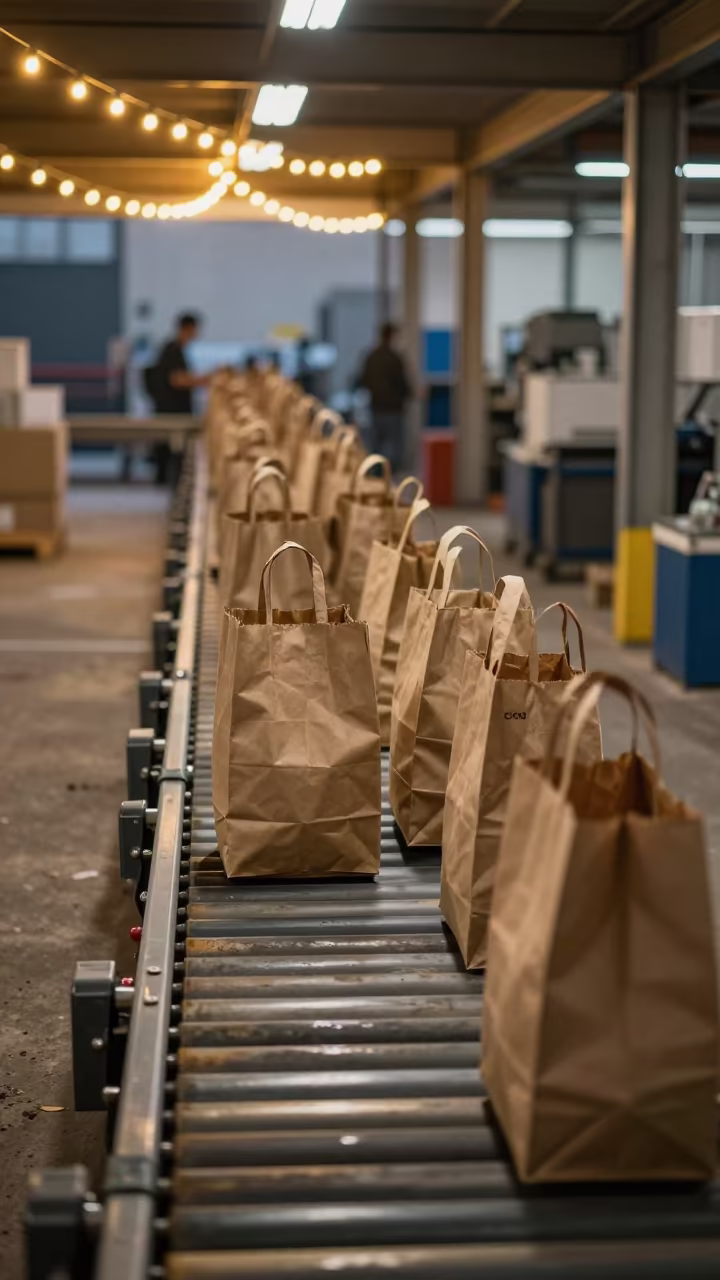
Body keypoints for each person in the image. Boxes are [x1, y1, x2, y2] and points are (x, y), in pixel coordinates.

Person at [357, 322, 412, 472]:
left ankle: (376, 479)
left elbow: (363, 380)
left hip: (376, 408)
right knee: (395, 448)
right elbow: (403, 384)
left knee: (375, 448)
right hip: (394, 409)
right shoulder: (394, 358)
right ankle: (392, 480)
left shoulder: (371, 357)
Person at [146, 312, 209, 415]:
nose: (196, 334)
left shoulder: (177, 349)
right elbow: (177, 379)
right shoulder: (172, 350)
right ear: (189, 328)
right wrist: (202, 381)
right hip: (171, 412)